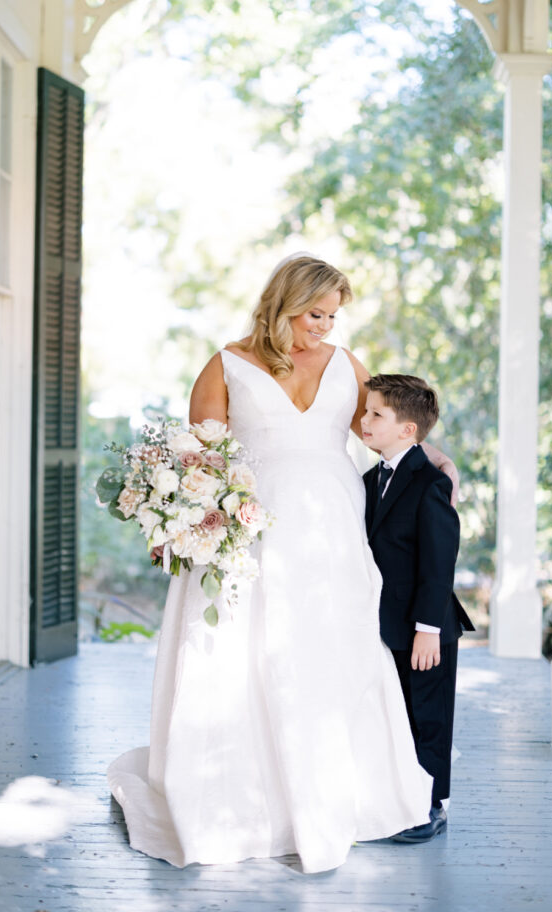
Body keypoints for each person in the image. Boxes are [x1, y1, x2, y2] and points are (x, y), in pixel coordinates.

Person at [108, 256, 458, 874]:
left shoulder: (347, 365)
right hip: (252, 532)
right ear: (281, 305)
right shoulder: (226, 365)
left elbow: (383, 431)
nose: (324, 326)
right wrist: (184, 520)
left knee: (334, 650)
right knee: (242, 654)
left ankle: (348, 792)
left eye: (332, 316)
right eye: (313, 314)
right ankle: (241, 799)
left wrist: (433, 463)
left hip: (333, 534)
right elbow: (199, 459)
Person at [360, 374, 474, 843]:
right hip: (383, 622)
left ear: (408, 430)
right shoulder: (369, 479)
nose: (363, 421)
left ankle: (431, 804)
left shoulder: (430, 484)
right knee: (397, 713)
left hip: (426, 627)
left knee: (428, 717)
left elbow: (438, 562)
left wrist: (428, 628)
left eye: (375, 415)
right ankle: (398, 795)